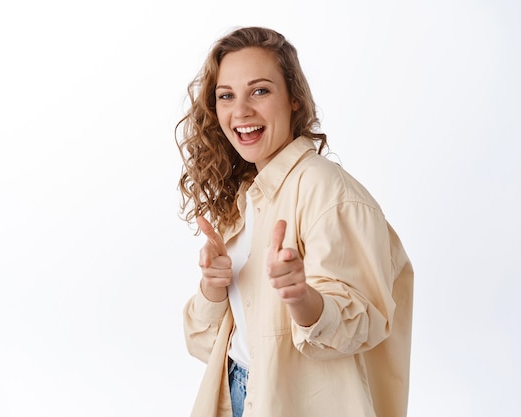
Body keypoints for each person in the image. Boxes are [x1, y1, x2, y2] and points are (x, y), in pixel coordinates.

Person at [176, 26, 413, 417]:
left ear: (295, 100)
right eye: (226, 96)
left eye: (260, 90)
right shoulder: (249, 195)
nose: (241, 111)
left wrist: (302, 299)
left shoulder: (326, 190)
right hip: (241, 391)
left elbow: (364, 324)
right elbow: (206, 344)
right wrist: (213, 287)